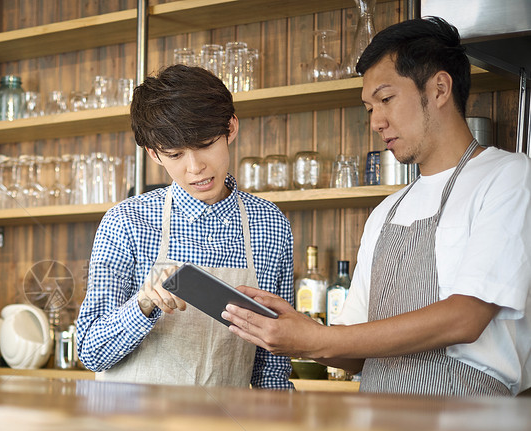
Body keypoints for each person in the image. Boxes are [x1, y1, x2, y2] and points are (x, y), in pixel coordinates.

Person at [222, 17, 531, 396]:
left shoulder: (508, 176)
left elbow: (465, 318)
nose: (376, 121)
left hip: (467, 425)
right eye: (369, 108)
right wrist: (294, 328)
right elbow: (354, 352)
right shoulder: (387, 212)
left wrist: (317, 339)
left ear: (439, 88)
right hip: (379, 424)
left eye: (386, 99)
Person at [75, 64, 295, 388]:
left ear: (230, 128)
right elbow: (90, 351)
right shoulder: (126, 222)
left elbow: (271, 368)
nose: (195, 168)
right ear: (153, 153)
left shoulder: (271, 225)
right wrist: (143, 305)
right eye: (175, 154)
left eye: (205, 144)